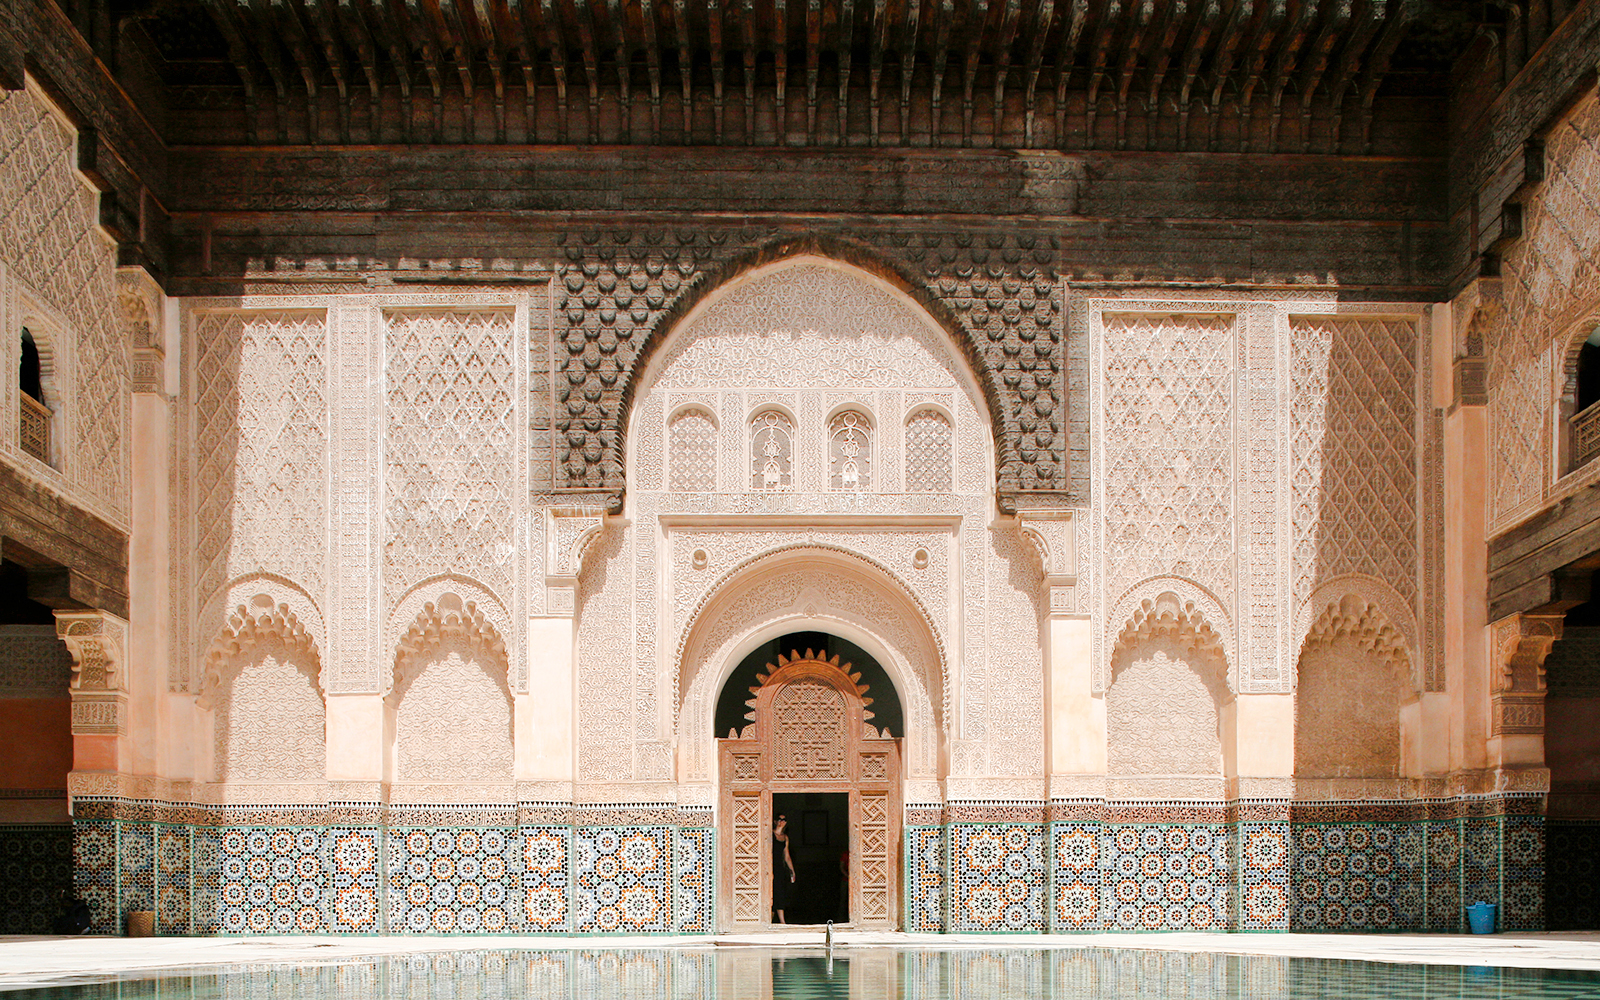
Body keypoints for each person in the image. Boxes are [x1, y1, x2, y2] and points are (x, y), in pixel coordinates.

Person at [772, 814, 796, 924]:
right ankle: (768, 919)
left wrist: (792, 870)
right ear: (775, 821)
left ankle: (782, 922)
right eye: (780, 819)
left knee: (780, 892)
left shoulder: (785, 838)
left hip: (779, 868)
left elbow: (786, 856)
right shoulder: (770, 835)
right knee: (770, 892)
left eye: (784, 820)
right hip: (770, 867)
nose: (782, 822)